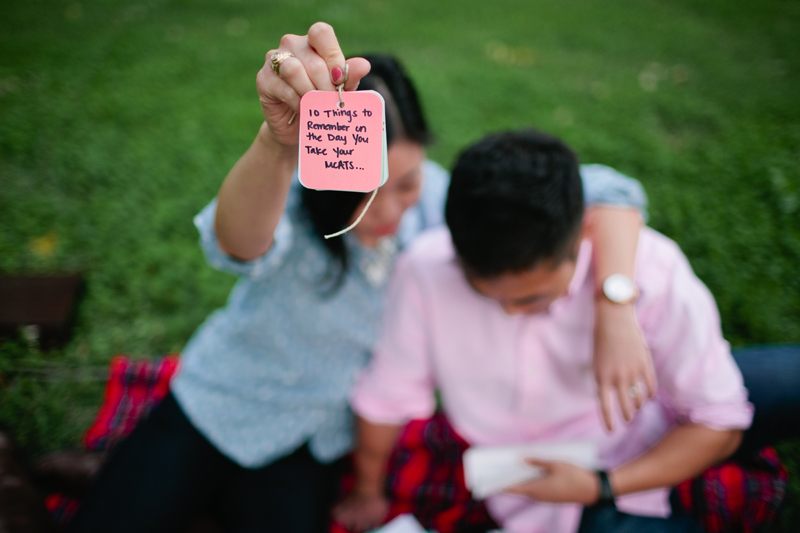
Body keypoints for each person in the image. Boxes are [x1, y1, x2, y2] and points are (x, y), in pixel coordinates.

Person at [66, 25, 653, 533]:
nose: (391, 211)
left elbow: (610, 192)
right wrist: (276, 142)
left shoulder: (448, 201)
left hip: (319, 440)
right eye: (365, 192)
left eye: (405, 183)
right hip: (222, 398)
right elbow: (236, 246)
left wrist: (615, 304)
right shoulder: (291, 196)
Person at [338, 129, 757, 533]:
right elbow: (386, 397)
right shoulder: (425, 271)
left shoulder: (654, 270)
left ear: (583, 233)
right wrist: (368, 490)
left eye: (533, 298)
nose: (509, 312)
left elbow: (719, 421)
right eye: (487, 296)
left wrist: (602, 486)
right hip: (505, 482)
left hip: (629, 462)